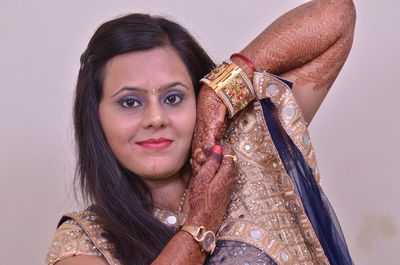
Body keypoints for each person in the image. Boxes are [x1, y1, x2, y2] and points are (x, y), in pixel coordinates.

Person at [46, 1, 356, 265]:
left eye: (173, 97)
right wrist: (201, 223)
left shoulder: (251, 151)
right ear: (96, 118)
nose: (155, 118)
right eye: (130, 102)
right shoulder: (83, 242)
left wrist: (220, 91)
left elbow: (336, 15)